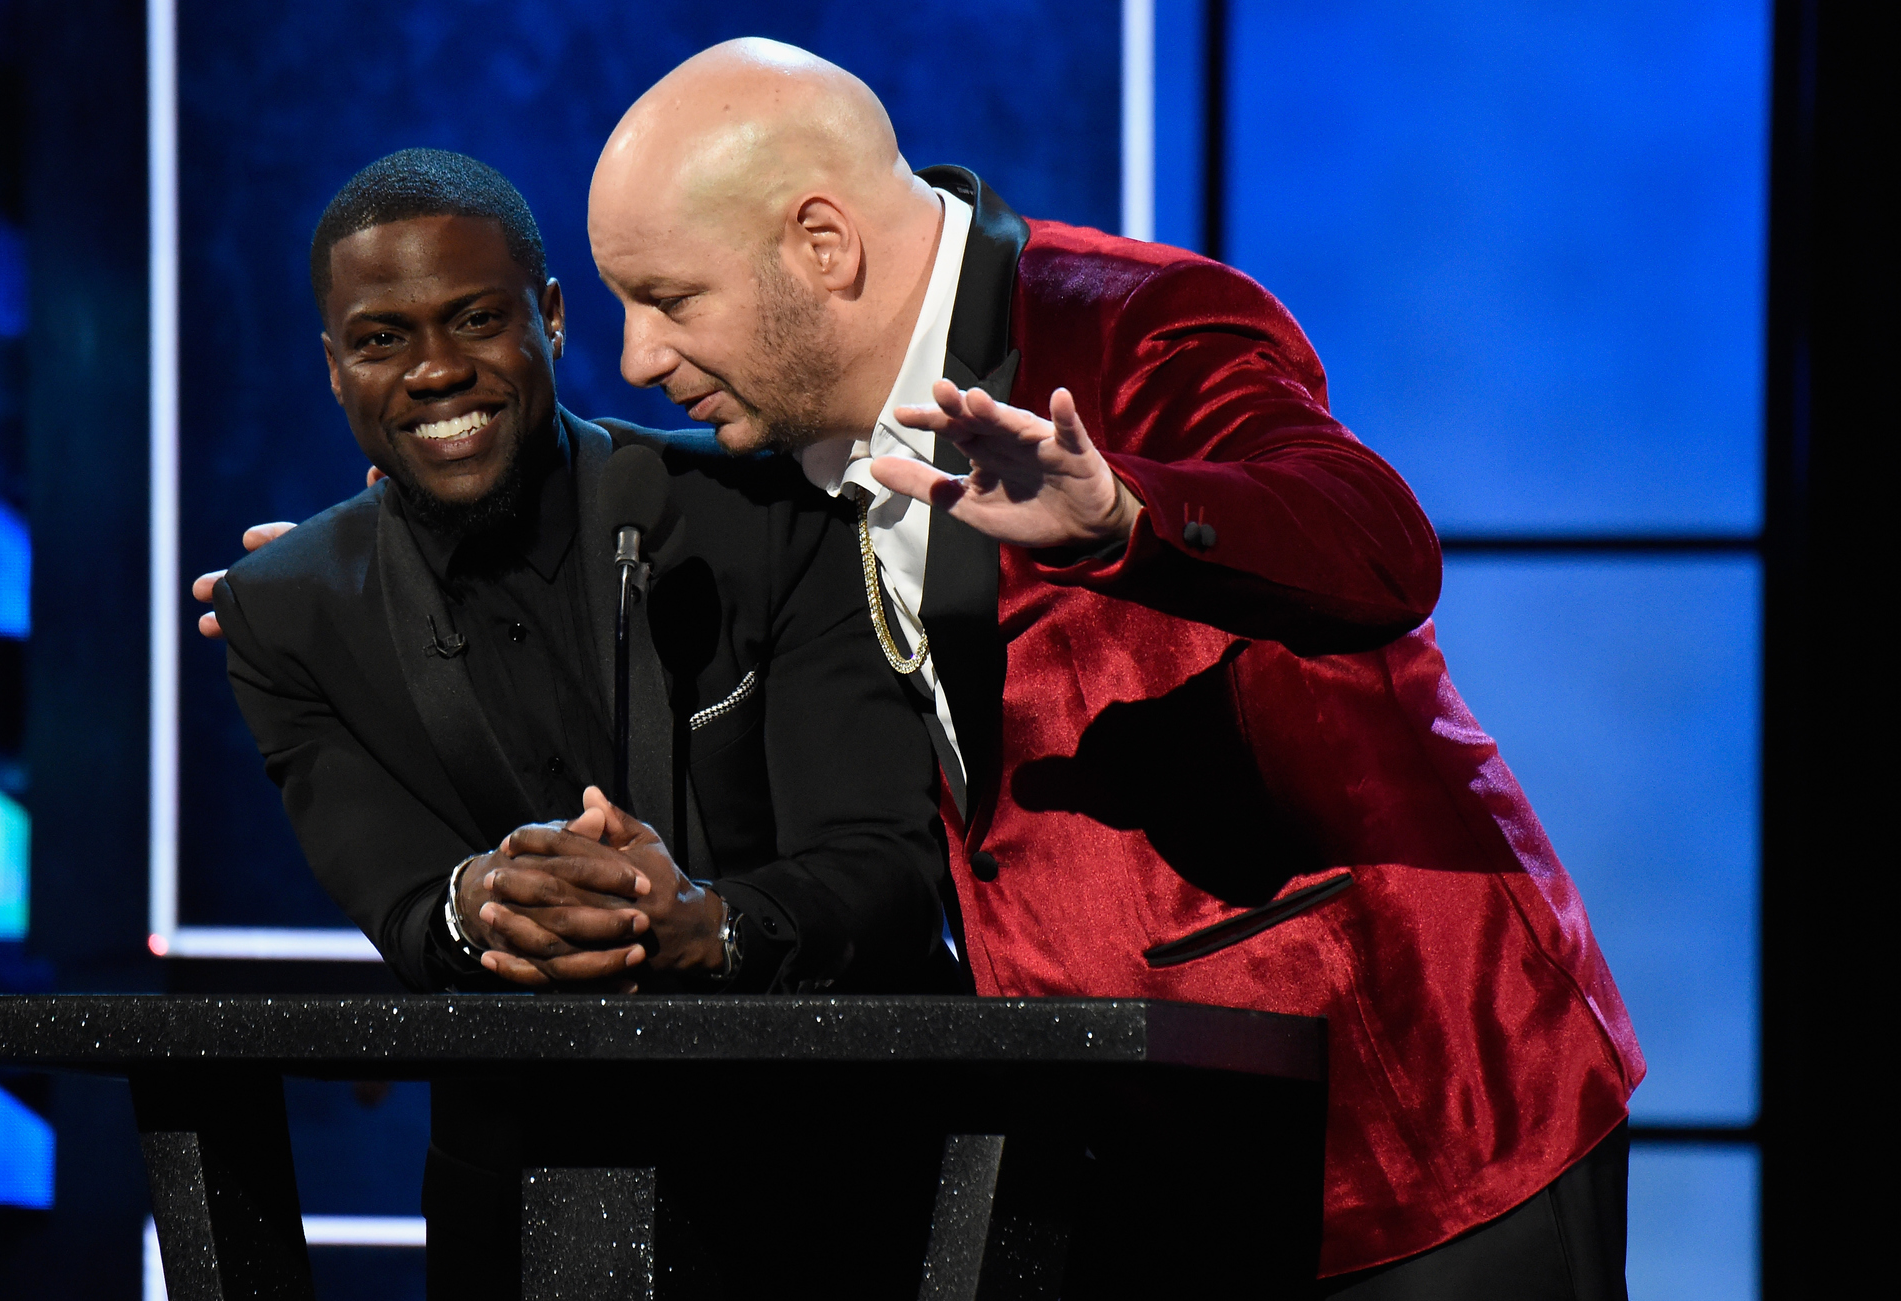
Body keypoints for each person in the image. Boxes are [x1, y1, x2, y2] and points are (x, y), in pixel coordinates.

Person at [577, 39, 1643, 1297]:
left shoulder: (1127, 320)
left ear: (823, 245)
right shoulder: (799, 438)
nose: (638, 354)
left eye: (670, 300)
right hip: (1127, 1160)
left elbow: (1376, 547)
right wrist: (376, 555)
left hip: (1410, 1114)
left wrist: (1125, 521)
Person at [198, 147, 955, 1296]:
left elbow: (886, 865)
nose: (434, 371)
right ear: (332, 365)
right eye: (381, 338)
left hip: (838, 1179)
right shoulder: (282, 613)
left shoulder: (768, 515)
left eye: (474, 319)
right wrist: (486, 904)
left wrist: (707, 923)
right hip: (517, 1198)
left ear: (549, 318)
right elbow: (406, 902)